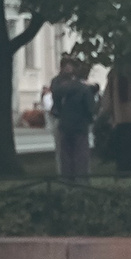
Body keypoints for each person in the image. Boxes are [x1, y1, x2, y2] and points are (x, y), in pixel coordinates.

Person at [47, 55, 98, 183]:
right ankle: (79, 180)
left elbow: (56, 99)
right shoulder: (81, 87)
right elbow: (90, 107)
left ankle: (67, 179)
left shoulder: (59, 84)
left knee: (66, 154)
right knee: (78, 154)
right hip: (75, 123)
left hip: (65, 122)